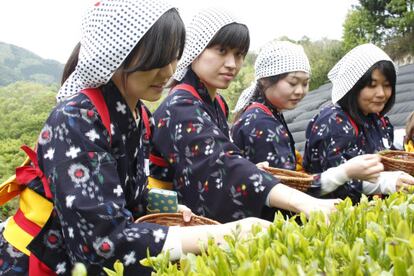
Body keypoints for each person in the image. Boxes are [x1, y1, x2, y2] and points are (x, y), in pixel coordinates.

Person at [0, 1, 272, 275]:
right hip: (36, 261)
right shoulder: (76, 119)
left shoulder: (140, 114)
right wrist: (223, 234)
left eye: (174, 57)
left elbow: (126, 191)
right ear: (117, 51)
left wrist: (170, 206)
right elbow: (102, 244)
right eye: (157, 59)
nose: (168, 72)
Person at [149, 8, 341, 224]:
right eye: (221, 50)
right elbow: (221, 166)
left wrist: (249, 169)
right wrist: (303, 201)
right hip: (185, 224)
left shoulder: (217, 103)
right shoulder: (180, 107)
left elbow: (222, 162)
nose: (232, 64)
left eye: (239, 55)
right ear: (195, 50)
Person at [231, 41, 384, 200]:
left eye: (305, 83)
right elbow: (289, 190)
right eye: (292, 82)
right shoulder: (261, 123)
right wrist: (345, 172)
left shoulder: (267, 114)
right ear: (264, 80)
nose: (300, 91)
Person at [303, 43, 414, 203]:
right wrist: (385, 182)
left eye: (387, 85)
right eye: (372, 85)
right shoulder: (333, 122)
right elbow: (331, 183)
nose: (381, 94)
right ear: (353, 86)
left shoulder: (377, 119)